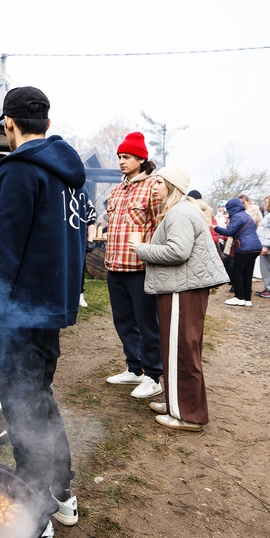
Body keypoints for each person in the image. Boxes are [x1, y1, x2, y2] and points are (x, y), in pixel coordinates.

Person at [0, 86, 86, 538]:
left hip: (17, 315)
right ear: (46, 123)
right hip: (47, 311)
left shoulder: (18, 172)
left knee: (24, 413)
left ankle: (36, 518)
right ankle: (62, 494)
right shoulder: (69, 173)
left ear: (8, 123)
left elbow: (2, 255)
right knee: (41, 404)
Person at [129, 163, 228, 431]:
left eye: (159, 182)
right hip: (181, 289)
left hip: (181, 291)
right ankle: (177, 403)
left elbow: (178, 252)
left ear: (172, 186)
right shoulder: (181, 211)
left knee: (181, 350)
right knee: (178, 349)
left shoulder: (180, 213)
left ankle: (187, 414)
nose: (155, 186)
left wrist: (142, 249)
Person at [103, 132, 163, 400]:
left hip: (140, 268)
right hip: (114, 266)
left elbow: (162, 225)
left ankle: (153, 376)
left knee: (147, 323)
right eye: (119, 157)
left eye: (126, 157)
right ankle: (135, 368)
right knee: (123, 322)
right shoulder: (117, 190)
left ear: (141, 158)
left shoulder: (152, 187)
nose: (121, 161)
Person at [213, 198, 262, 307]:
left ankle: (239, 298)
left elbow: (229, 232)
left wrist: (215, 228)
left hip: (244, 248)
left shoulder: (236, 216)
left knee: (237, 272)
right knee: (247, 274)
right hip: (255, 247)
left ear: (231, 208)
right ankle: (247, 299)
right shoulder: (247, 216)